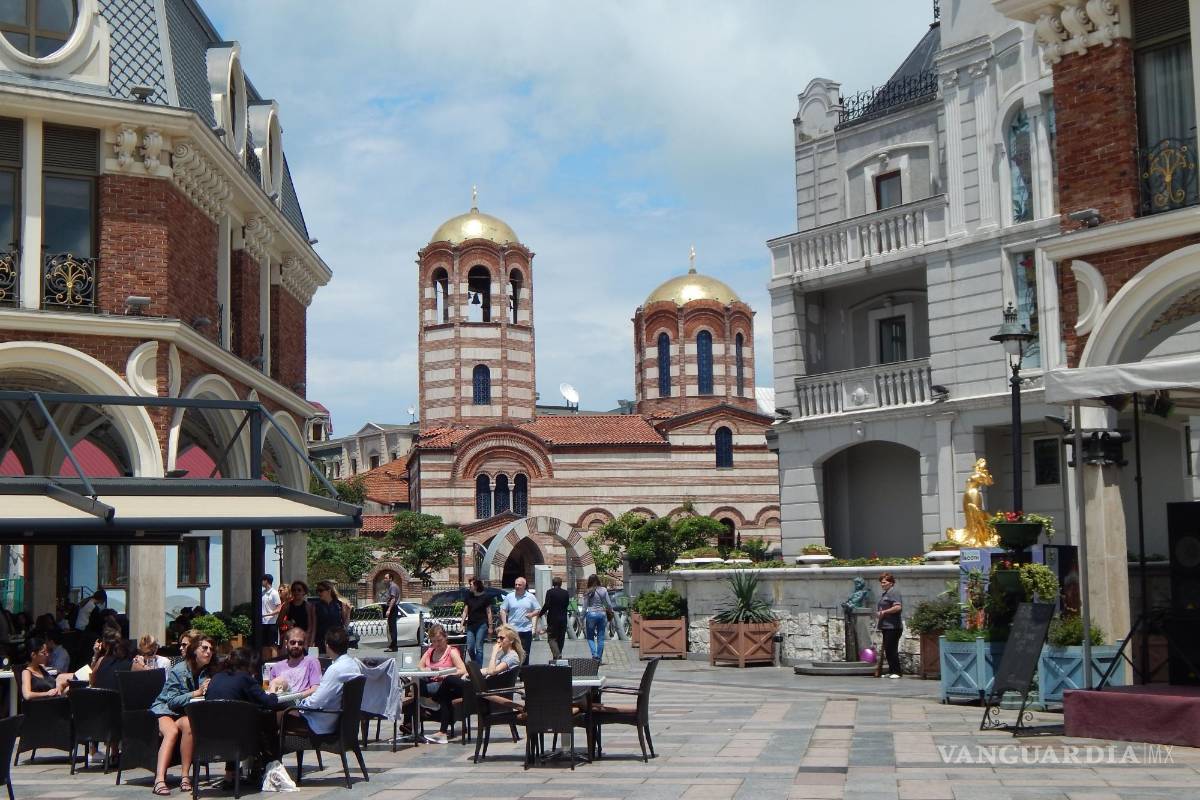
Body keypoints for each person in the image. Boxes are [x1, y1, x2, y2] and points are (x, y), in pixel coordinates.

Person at [206, 646, 285, 782]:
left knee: (230, 719)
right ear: (248, 664)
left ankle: (230, 774)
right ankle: (270, 770)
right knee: (269, 721)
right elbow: (269, 702)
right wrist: (272, 689)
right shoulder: (244, 678)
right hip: (239, 738)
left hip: (209, 737)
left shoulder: (216, 678)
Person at [150, 635, 215, 796]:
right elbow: (171, 701)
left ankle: (185, 776)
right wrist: (196, 693)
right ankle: (159, 780)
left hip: (183, 713)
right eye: (204, 648)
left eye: (211, 649)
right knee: (171, 731)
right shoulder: (179, 669)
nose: (209, 652)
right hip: (164, 710)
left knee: (189, 725)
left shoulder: (206, 671)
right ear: (194, 651)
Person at [287, 627, 362, 736]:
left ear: (327, 645)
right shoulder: (353, 665)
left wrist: (300, 705)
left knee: (280, 715)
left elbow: (318, 700)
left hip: (322, 725)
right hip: (339, 722)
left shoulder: (335, 670)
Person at [415, 623, 469, 744]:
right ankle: (410, 723)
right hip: (432, 683)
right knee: (415, 683)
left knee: (446, 682)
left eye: (439, 640)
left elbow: (463, 670)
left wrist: (444, 673)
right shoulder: (430, 651)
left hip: (445, 684)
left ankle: (433, 702)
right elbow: (419, 668)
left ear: (445, 638)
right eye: (434, 641)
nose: (437, 644)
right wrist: (429, 670)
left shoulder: (452, 652)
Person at [267, 628, 322, 695]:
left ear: (304, 645)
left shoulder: (311, 662)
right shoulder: (277, 667)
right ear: (286, 643)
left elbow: (315, 689)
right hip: (280, 702)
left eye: (300, 643)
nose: (296, 646)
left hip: (301, 703)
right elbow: (271, 689)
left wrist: (296, 697)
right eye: (293, 642)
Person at [500, 577, 540, 665]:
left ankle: (524, 674)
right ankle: (514, 672)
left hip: (526, 630)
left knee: (525, 653)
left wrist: (531, 614)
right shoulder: (510, 596)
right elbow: (503, 610)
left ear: (524, 586)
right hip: (512, 630)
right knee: (513, 653)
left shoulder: (530, 597)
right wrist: (504, 624)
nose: (517, 586)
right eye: (516, 584)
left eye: (519, 585)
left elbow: (538, 609)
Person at [876, 572, 904, 679]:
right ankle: (891, 670)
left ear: (891, 583)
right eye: (881, 583)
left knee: (892, 649)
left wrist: (884, 612)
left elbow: (898, 607)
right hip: (886, 626)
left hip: (894, 626)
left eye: (884, 582)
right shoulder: (885, 594)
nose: (882, 585)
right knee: (888, 649)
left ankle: (897, 671)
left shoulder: (894, 593)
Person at [582, 574, 614, 663]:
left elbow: (584, 607)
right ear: (598, 580)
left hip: (591, 615)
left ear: (589, 581)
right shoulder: (603, 590)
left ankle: (594, 655)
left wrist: (581, 618)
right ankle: (599, 658)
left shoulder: (587, 592)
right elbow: (609, 604)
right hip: (602, 614)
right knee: (601, 638)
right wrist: (611, 611)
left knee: (590, 637)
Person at [312, 581, 351, 652]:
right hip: (321, 639)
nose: (318, 593)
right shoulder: (316, 606)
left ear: (329, 590)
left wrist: (348, 613)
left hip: (337, 639)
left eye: (320, 590)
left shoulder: (340, 604)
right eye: (317, 591)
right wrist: (312, 642)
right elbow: (314, 626)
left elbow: (345, 624)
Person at [461, 578, 493, 666]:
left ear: (476, 586)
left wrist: (490, 627)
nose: (469, 587)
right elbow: (465, 611)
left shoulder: (485, 597)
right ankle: (475, 663)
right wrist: (462, 624)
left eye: (471, 585)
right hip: (471, 624)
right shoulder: (469, 596)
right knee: (470, 648)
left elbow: (489, 612)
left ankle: (478, 669)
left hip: (481, 624)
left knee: (479, 647)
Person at [542, 576, 570, 661]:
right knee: (561, 638)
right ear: (561, 584)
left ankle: (557, 655)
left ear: (553, 584)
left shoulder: (550, 592)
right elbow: (566, 605)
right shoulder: (566, 593)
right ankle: (557, 656)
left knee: (551, 638)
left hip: (552, 619)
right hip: (563, 619)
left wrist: (540, 613)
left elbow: (547, 605)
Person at [281, 581, 315, 648]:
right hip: (290, 638)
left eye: (299, 590)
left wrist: (308, 641)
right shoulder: (286, 606)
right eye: (294, 590)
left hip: (304, 638)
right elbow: (278, 622)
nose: (296, 592)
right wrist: (286, 622)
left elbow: (311, 626)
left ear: (304, 592)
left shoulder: (308, 606)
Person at [382, 572, 402, 652]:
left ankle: (393, 647)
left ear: (390, 579)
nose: (385, 579)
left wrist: (389, 609)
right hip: (393, 608)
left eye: (386, 578)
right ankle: (393, 646)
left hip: (393, 609)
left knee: (392, 628)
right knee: (391, 628)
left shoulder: (393, 587)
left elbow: (393, 599)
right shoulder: (392, 586)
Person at [261, 574, 282, 648]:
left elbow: (278, 609)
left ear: (266, 581)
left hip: (272, 622)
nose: (261, 582)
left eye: (262, 580)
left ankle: (274, 659)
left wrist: (266, 615)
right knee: (264, 645)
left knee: (272, 645)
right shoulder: (263, 593)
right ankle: (265, 659)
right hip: (263, 623)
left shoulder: (274, 593)